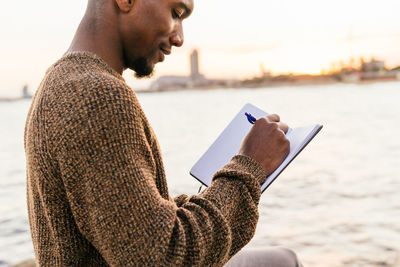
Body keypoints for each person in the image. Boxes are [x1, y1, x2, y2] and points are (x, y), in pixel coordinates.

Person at [24, 0, 303, 266]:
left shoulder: (58, 82)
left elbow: (124, 223)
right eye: (176, 12)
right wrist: (249, 166)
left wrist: (214, 188)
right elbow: (164, 257)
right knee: (286, 262)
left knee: (282, 259)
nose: (179, 38)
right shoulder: (99, 96)